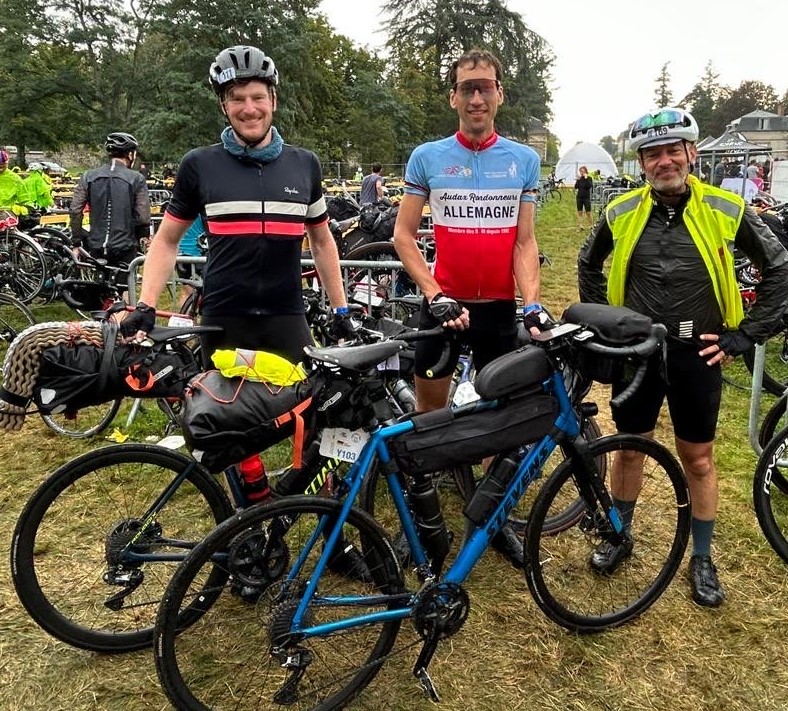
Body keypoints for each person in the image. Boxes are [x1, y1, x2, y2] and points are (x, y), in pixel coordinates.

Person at [119, 46, 364, 574]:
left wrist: (341, 308)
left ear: (273, 99)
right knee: (231, 430)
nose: (249, 108)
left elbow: (323, 241)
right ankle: (251, 531)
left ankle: (330, 534)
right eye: (237, 99)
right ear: (224, 106)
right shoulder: (200, 165)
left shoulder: (304, 164)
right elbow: (166, 240)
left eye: (257, 97)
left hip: (285, 316)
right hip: (224, 317)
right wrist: (146, 304)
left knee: (321, 420)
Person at [577, 107, 788, 607]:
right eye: (653, 154)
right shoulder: (621, 211)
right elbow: (588, 263)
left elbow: (779, 267)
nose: (664, 161)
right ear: (642, 163)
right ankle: (619, 534)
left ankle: (702, 557)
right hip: (638, 352)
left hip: (698, 351)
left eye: (673, 150)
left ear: (692, 153)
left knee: (698, 457)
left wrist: (745, 336)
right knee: (630, 448)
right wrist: (605, 325)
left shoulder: (727, 208)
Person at [393, 48, 545, 568]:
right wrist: (434, 294)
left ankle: (491, 521)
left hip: (497, 309)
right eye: (467, 88)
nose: (476, 97)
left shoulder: (523, 160)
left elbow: (525, 242)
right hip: (444, 306)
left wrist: (532, 304)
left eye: (485, 87)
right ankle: (424, 521)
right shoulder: (428, 157)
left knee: (499, 421)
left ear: (499, 94)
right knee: (430, 417)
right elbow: (404, 235)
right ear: (453, 98)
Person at [69, 132, 151, 299]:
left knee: (101, 292)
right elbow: (143, 217)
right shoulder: (136, 178)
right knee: (125, 291)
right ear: (130, 154)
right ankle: (122, 313)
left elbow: (75, 210)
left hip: (96, 244)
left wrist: (76, 242)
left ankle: (101, 314)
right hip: (125, 245)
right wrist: (142, 237)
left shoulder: (88, 176)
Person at [0, 149, 29, 215]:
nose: (0, 169)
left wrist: (23, 208)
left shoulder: (15, 178)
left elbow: (24, 199)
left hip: (7, 214)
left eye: (2, 165)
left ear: (7, 164)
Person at [574, 165, 594, 229]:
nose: (582, 173)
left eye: (583, 171)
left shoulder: (589, 178)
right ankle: (580, 225)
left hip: (586, 197)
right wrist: (578, 180)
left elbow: (589, 186)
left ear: (586, 171)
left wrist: (586, 178)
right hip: (579, 197)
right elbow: (576, 187)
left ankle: (591, 225)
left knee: (588, 212)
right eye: (580, 171)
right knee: (580, 212)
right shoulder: (580, 179)